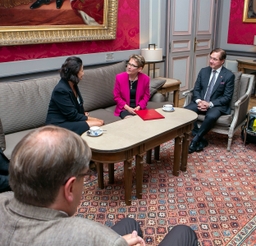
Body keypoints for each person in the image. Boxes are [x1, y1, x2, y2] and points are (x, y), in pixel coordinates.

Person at [0, 125, 198, 245]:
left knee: (130, 224)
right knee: (184, 233)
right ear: (69, 188)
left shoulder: (3, 199)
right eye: (84, 176)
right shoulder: (89, 235)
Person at [185, 48, 235, 154]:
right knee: (186, 111)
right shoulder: (204, 71)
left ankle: (195, 140)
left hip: (216, 105)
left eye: (215, 59)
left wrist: (210, 104)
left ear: (222, 61)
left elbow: (227, 97)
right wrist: (199, 101)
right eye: (211, 58)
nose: (211, 61)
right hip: (201, 101)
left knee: (211, 116)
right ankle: (201, 138)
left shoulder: (229, 76)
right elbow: (196, 89)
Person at [46, 56, 103, 135]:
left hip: (69, 119)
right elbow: (72, 115)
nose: (83, 73)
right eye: (82, 70)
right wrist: (88, 118)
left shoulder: (73, 84)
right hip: (58, 125)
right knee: (99, 123)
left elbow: (78, 104)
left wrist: (82, 114)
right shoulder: (60, 90)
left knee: (99, 122)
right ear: (75, 72)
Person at [113, 54, 150, 119]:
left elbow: (146, 96)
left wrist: (139, 107)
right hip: (124, 108)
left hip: (139, 108)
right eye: (129, 64)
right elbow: (117, 97)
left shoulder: (145, 79)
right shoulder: (119, 77)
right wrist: (128, 108)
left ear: (139, 69)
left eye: (133, 65)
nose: (129, 67)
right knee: (130, 120)